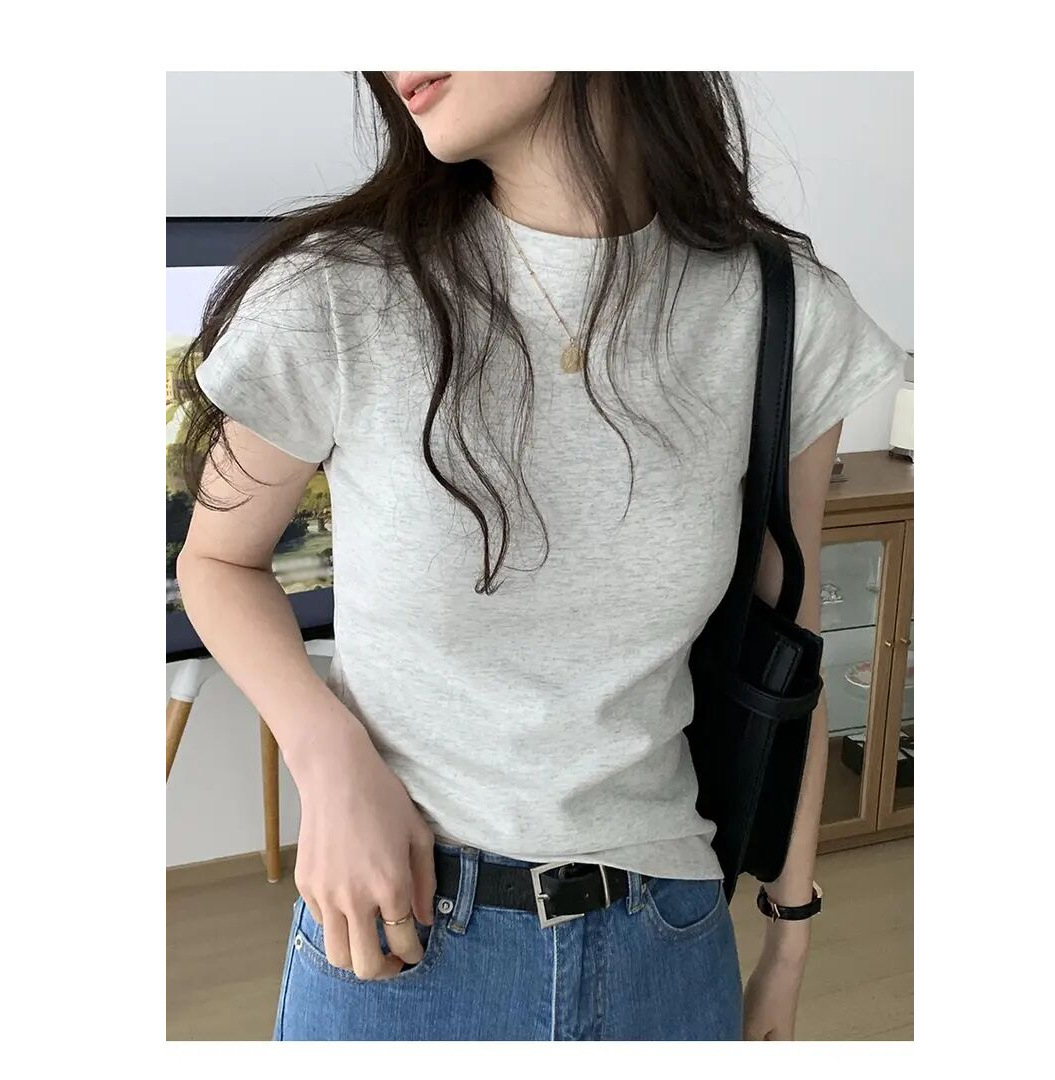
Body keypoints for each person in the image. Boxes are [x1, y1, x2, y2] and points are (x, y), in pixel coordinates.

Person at [174, 71, 908, 1041]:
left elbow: (791, 651)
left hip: (666, 940)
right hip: (398, 931)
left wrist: (789, 940)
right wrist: (327, 754)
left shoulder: (784, 312)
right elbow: (215, 562)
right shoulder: (340, 293)